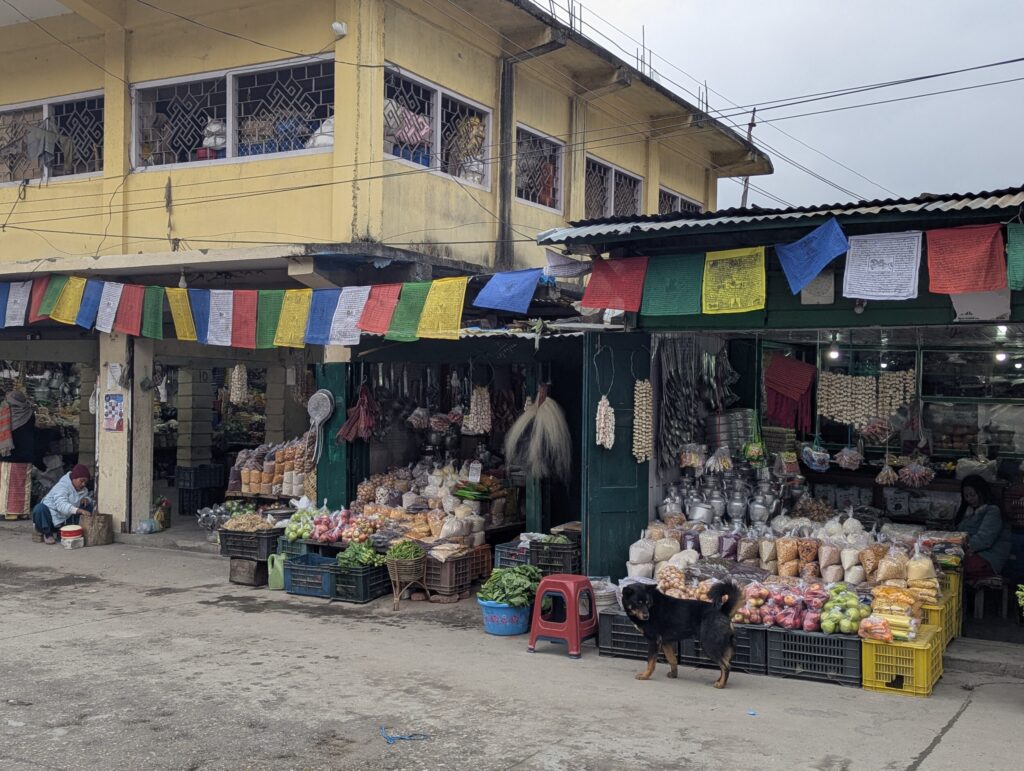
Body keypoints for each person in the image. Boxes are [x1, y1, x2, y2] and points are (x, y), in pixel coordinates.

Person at [954, 475, 1012, 581]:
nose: (969, 499)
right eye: (966, 496)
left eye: (972, 495)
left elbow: (984, 539)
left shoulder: (993, 511)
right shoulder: (970, 512)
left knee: (952, 564)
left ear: (982, 492)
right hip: (972, 554)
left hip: (988, 559)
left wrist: (961, 549)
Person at [32, 464, 93, 545]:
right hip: (50, 519)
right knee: (39, 508)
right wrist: (79, 510)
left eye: (86, 482)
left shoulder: (83, 490)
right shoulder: (62, 486)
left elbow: (89, 497)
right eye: (81, 481)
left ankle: (66, 532)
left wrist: (87, 499)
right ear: (74, 478)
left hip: (64, 521)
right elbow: (62, 506)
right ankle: (47, 534)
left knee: (87, 506)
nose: (83, 484)